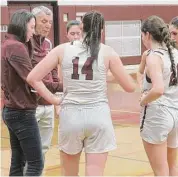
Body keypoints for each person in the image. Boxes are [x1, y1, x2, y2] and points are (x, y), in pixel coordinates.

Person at [26, 10, 136, 176]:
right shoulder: (108, 52)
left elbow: (33, 78)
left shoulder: (62, 49)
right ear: (102, 30)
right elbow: (129, 87)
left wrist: (54, 100)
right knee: (95, 173)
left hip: (71, 116)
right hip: (98, 116)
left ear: (82, 26)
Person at [1, 10, 44, 176]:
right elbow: (33, 79)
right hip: (22, 112)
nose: (33, 32)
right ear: (22, 25)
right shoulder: (16, 47)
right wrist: (56, 94)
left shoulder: (7, 44)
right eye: (32, 27)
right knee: (36, 164)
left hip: (11, 110)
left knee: (18, 162)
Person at [139, 15, 178, 176]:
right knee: (172, 168)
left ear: (147, 35)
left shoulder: (154, 56)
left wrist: (143, 100)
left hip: (158, 115)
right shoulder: (175, 52)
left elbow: (158, 89)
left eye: (142, 35)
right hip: (175, 112)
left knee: (160, 171)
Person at [31, 6, 63, 162]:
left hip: (48, 104)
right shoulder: (25, 43)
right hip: (32, 105)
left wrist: (56, 97)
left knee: (44, 148)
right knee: (29, 150)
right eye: (43, 21)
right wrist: (64, 87)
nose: (47, 25)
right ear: (33, 21)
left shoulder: (48, 43)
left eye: (49, 22)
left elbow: (53, 72)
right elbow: (30, 77)